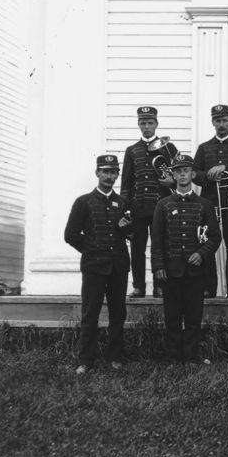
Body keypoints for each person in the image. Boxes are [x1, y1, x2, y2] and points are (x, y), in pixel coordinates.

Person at [64, 154, 132, 374]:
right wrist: (92, 248)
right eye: (105, 171)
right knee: (90, 313)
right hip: (94, 267)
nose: (109, 176)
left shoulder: (123, 202)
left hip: (118, 267)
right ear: (97, 173)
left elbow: (133, 234)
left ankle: (115, 356)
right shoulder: (83, 202)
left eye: (113, 172)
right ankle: (85, 359)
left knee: (118, 313)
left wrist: (125, 228)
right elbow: (71, 235)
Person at [151, 154, 221, 364]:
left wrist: (201, 254)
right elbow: (156, 239)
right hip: (171, 271)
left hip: (195, 272)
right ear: (173, 175)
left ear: (192, 174)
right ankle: (173, 357)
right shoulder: (163, 204)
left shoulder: (204, 204)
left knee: (193, 317)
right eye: (178, 171)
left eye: (186, 171)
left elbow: (215, 237)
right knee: (172, 317)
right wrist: (158, 266)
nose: (182, 175)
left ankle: (191, 357)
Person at [193, 104, 228, 299]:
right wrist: (209, 176)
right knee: (209, 246)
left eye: (224, 120)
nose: (221, 124)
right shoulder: (204, 148)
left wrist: (225, 168)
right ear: (212, 122)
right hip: (209, 204)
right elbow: (194, 174)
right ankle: (209, 288)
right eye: (217, 121)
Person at [120, 106, 177, 298]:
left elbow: (181, 173)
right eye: (143, 123)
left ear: (156, 124)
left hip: (161, 206)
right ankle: (138, 286)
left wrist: (173, 181)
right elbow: (126, 183)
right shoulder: (132, 150)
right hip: (137, 207)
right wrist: (124, 209)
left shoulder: (168, 148)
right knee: (137, 248)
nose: (146, 127)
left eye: (150, 123)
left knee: (160, 247)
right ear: (138, 124)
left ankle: (159, 286)